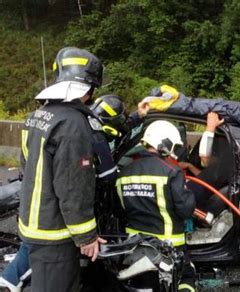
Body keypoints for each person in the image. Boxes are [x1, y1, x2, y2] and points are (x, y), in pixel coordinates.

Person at [17, 47, 107, 292]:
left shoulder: (37, 116)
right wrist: (86, 236)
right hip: (54, 232)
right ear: (89, 89)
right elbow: (73, 187)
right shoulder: (72, 124)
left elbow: (27, 166)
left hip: (33, 223)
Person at [115, 120, 196, 291]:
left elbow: (121, 209)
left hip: (134, 245)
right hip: (168, 245)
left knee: (141, 283)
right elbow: (185, 210)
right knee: (186, 276)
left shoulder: (124, 173)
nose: (174, 153)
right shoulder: (172, 172)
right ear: (164, 143)